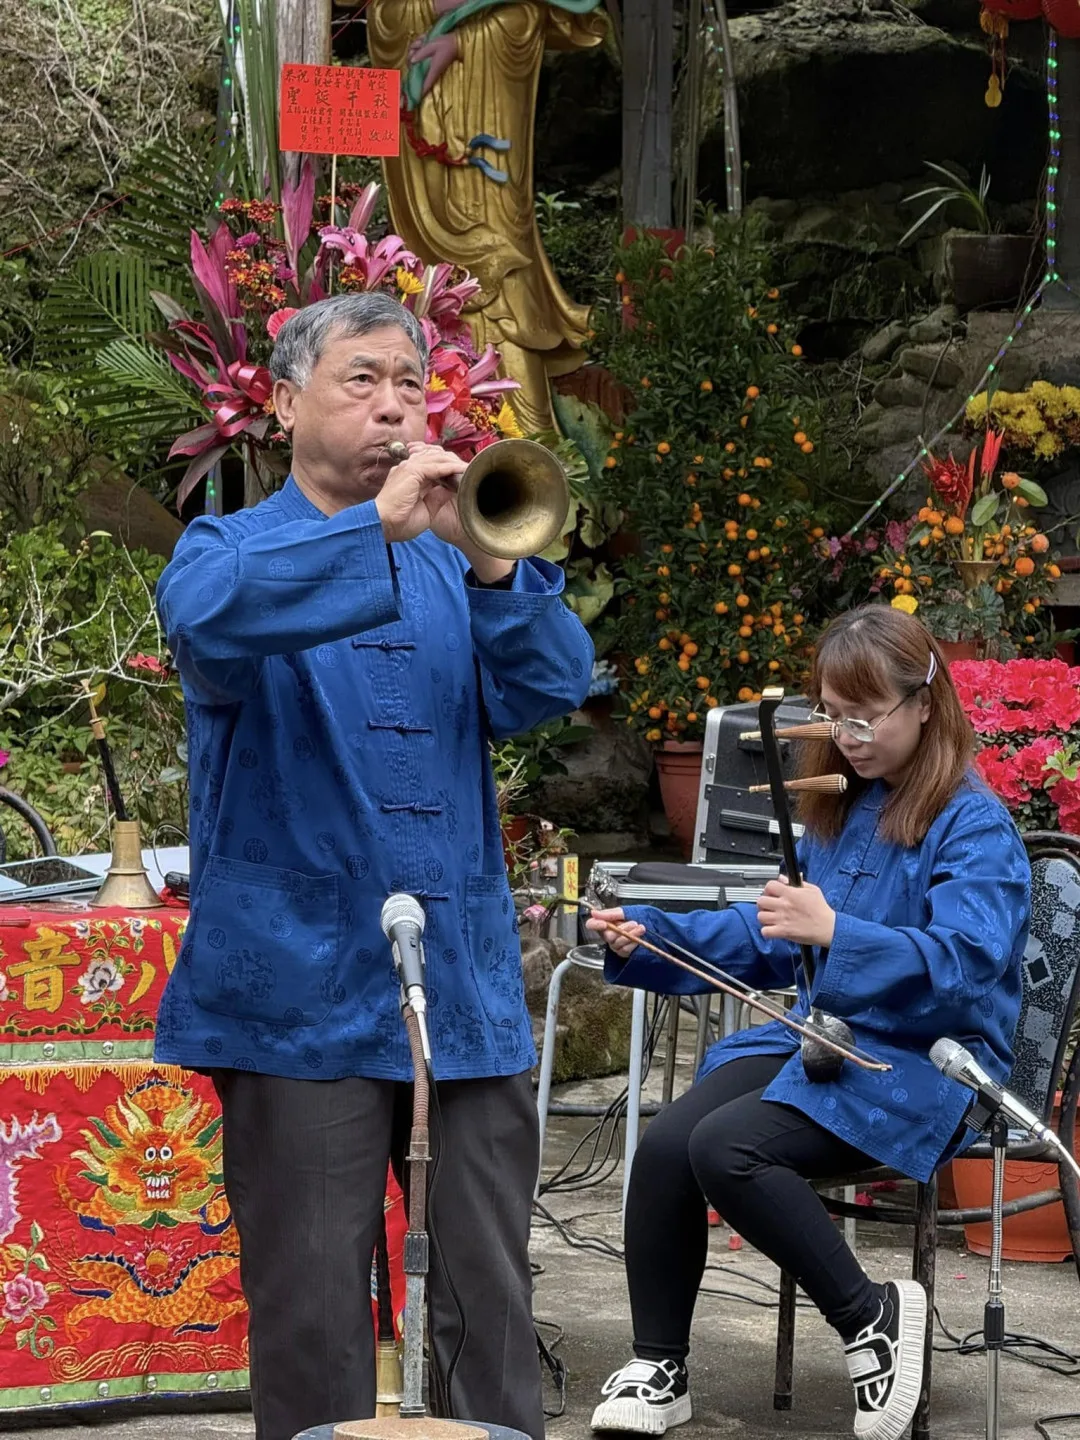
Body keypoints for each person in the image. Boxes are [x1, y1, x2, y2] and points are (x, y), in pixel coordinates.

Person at [154, 291, 593, 1440]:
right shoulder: (228, 546)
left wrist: (493, 573)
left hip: (466, 993)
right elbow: (208, 622)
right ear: (286, 402)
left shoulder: (455, 560)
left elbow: (552, 684)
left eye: (412, 380)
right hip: (296, 999)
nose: (396, 403)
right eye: (363, 380)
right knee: (309, 1310)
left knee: (490, 1303)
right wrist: (373, 536)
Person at [586, 604, 1031, 1440]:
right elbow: (772, 937)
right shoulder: (841, 809)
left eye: (868, 715)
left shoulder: (975, 824)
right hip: (825, 1038)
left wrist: (840, 933)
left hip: (930, 1062)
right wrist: (650, 934)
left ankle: (870, 1319)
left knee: (729, 1147)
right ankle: (661, 1367)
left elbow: (968, 963)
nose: (849, 735)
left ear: (925, 703)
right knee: (669, 1142)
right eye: (834, 714)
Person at [366, 0, 607, 433]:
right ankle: (435, 428)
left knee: (501, 267)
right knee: (428, 280)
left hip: (488, 144)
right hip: (428, 146)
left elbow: (533, 16)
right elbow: (387, 16)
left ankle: (531, 446)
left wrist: (462, 42)